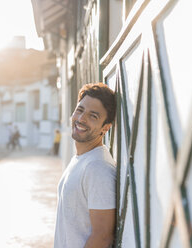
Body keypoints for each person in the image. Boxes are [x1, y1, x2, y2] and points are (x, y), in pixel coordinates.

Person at [54, 83, 117, 248]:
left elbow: (102, 237)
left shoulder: (98, 168)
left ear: (105, 128)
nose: (81, 119)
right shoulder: (81, 159)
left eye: (93, 116)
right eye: (80, 110)